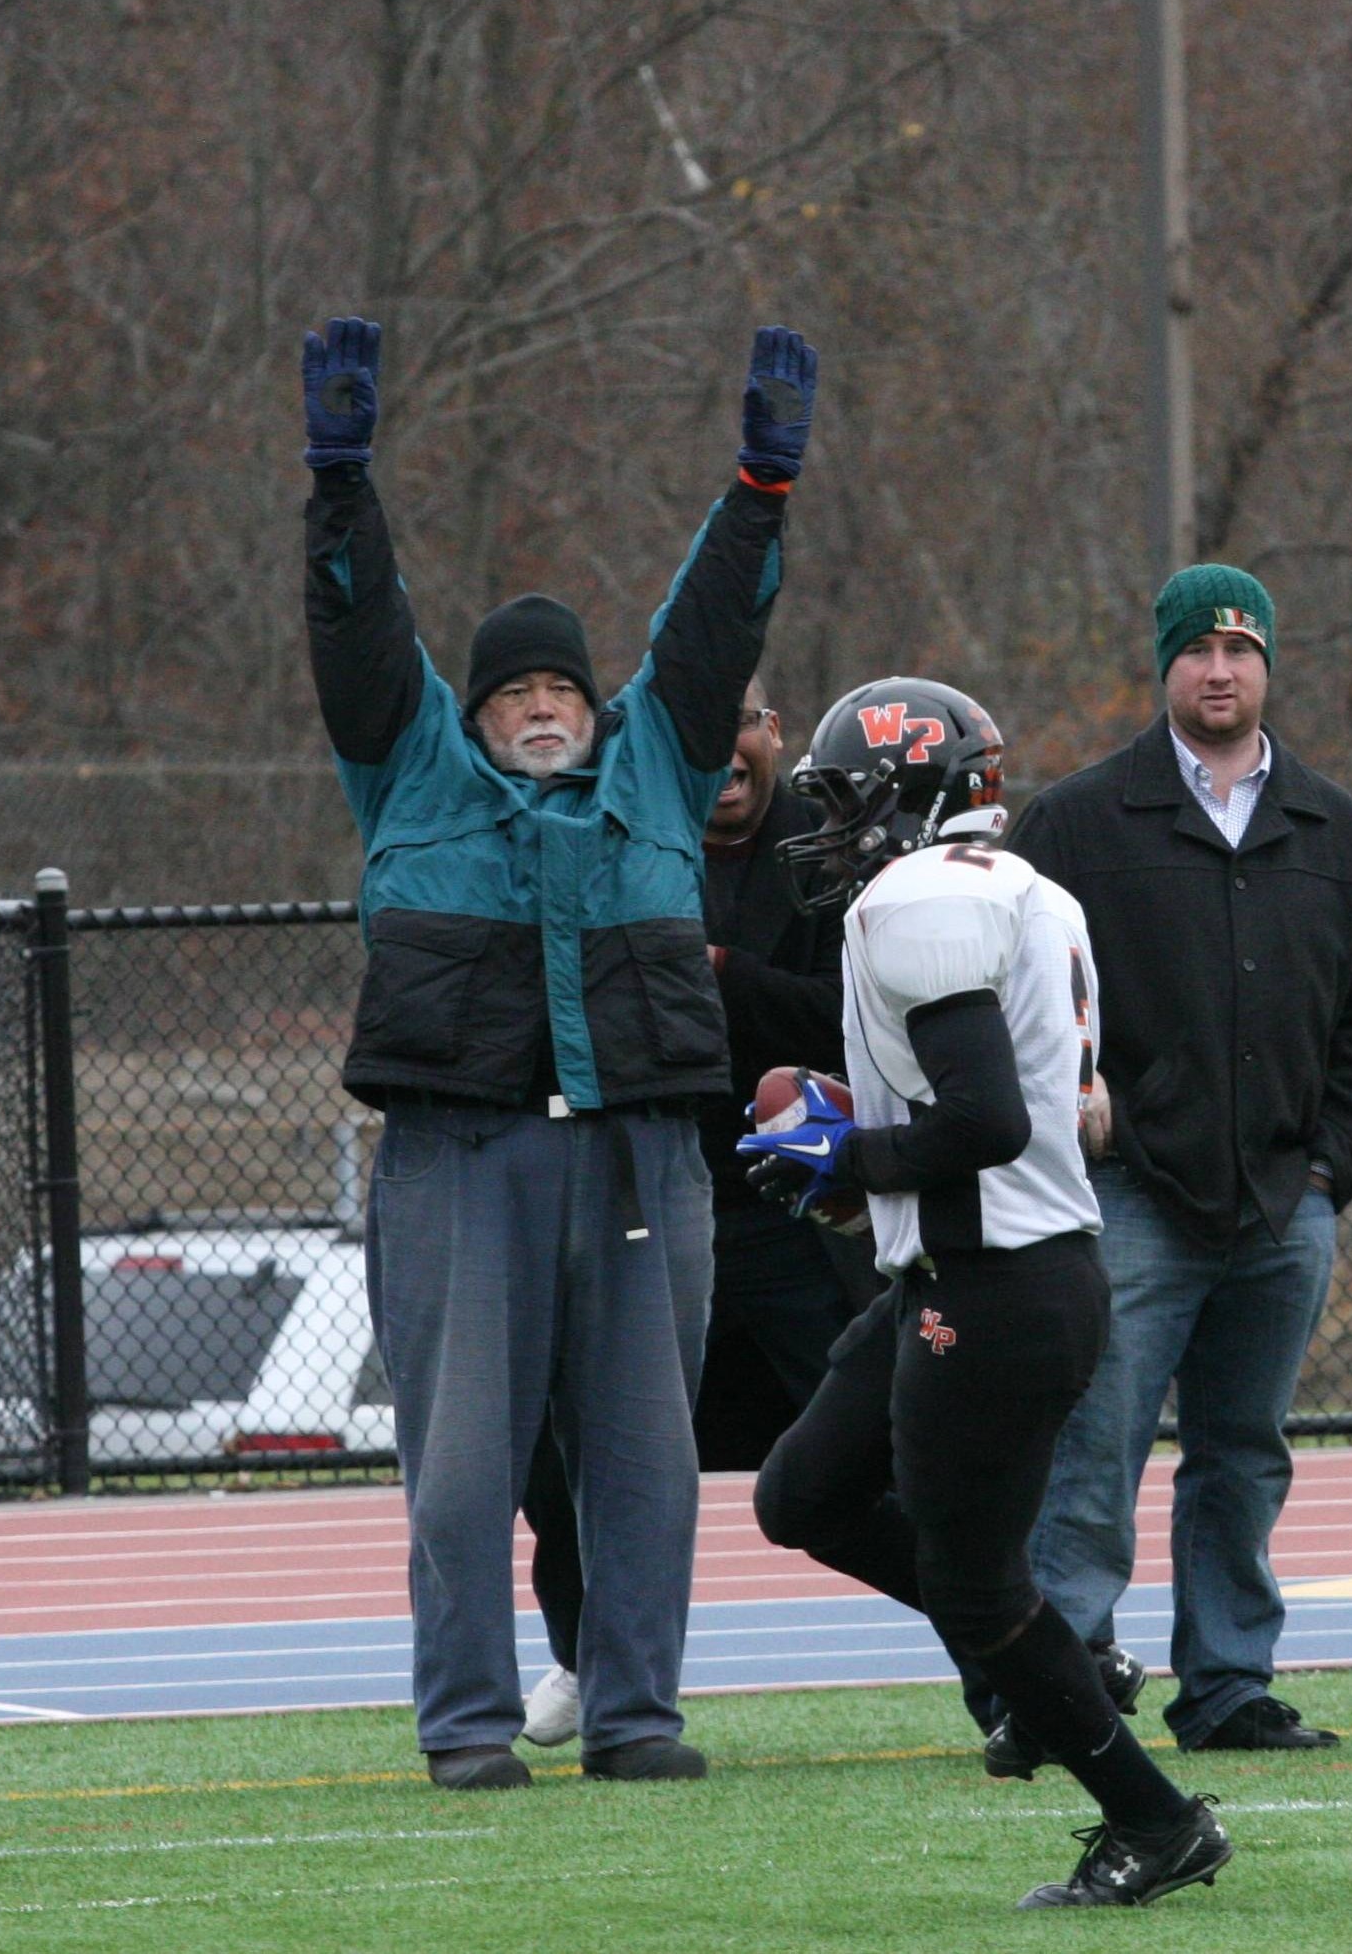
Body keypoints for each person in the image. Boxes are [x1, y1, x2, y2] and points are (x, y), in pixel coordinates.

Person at [301, 314, 816, 1790]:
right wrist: (338, 487)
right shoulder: (410, 768)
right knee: (462, 1474)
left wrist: (760, 490)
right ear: (470, 717)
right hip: (463, 1156)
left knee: (646, 1467)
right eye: (516, 692)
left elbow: (712, 628)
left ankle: (637, 1717)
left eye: (562, 690)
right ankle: (466, 1727)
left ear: (600, 712)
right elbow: (355, 631)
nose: (543, 706)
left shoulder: (655, 761)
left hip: (645, 1150)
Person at [743, 679, 1231, 1910]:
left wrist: (839, 1158)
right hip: (975, 1271)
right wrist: (867, 1160)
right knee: (803, 1491)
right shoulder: (1024, 889)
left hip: (1001, 1283)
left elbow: (985, 1119)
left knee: (977, 1586)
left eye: (850, 800)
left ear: (909, 793)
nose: (835, 829)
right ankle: (1062, 1661)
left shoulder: (922, 899)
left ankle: (1155, 1820)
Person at [997, 565, 1352, 1764]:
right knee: (1090, 1450)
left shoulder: (1335, 829)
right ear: (1164, 666)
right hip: (1131, 1201)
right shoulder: (1077, 821)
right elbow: (1019, 989)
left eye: (1240, 649)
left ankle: (1228, 1685)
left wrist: (1331, 1159)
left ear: (1269, 664)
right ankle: (1053, 1692)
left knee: (1244, 1456)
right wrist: (1071, 1088)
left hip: (1285, 1204)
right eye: (1196, 650)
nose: (1218, 670)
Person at [515, 677, 878, 1747]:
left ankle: (1003, 1663)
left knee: (881, 1436)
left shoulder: (833, 852)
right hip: (644, 1188)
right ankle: (589, 1655)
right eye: (694, 735)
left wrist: (719, 974)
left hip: (797, 1199)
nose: (724, 753)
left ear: (774, 733)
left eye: (744, 726)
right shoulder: (611, 839)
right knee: (571, 1440)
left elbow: (854, 1017)